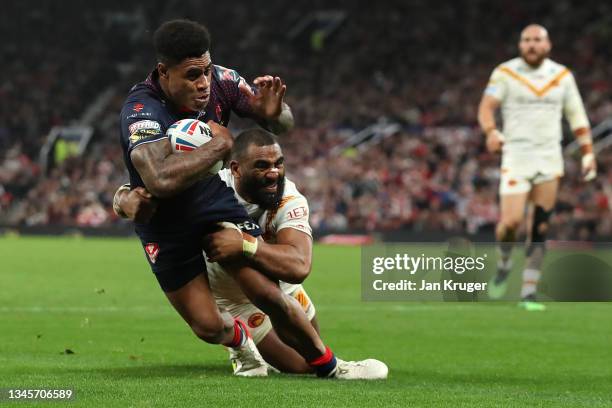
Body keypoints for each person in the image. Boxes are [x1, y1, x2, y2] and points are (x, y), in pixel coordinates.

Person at [118, 18, 344, 378]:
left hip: (212, 202)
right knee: (207, 326)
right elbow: (159, 180)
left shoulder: (223, 81)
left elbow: (282, 123)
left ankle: (330, 366)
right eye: (193, 75)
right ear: (164, 71)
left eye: (206, 70)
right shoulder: (142, 111)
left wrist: (276, 116)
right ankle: (240, 342)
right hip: (165, 221)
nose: (204, 83)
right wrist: (220, 144)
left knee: (265, 290)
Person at [116, 129, 389, 379]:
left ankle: (322, 362)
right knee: (297, 365)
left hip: (283, 284)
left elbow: (300, 265)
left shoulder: (290, 199)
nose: (274, 173)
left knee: (308, 354)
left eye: (278, 163)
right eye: (262, 165)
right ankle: (250, 346)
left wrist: (245, 243)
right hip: (234, 297)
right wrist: (123, 199)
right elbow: (146, 191)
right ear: (235, 168)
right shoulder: (211, 186)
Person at [477, 24, 597, 310]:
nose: (531, 45)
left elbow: (577, 116)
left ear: (548, 45)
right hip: (516, 155)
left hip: (548, 156)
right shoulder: (505, 73)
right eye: (526, 40)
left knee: (541, 225)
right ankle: (505, 263)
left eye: (537, 40)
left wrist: (588, 153)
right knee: (511, 223)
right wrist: (491, 131)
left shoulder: (562, 76)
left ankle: (528, 292)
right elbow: (486, 107)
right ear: (520, 45)